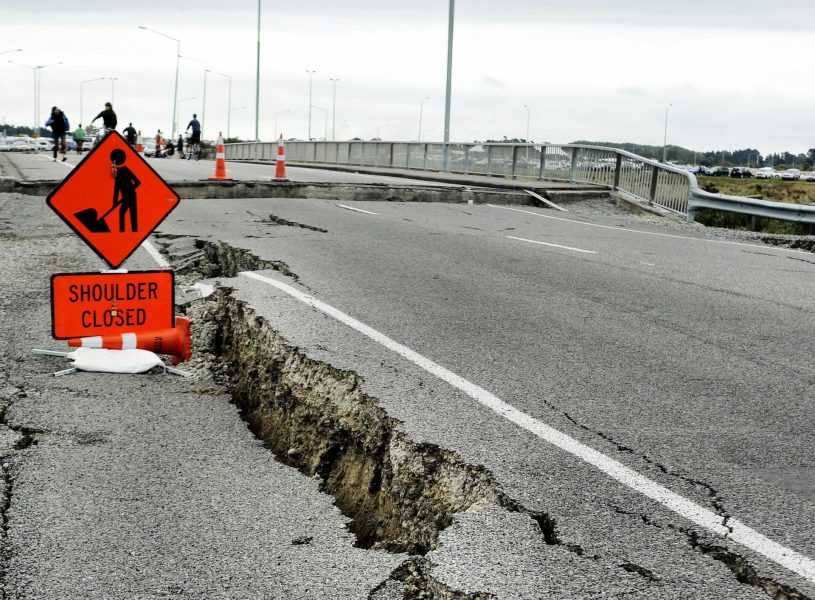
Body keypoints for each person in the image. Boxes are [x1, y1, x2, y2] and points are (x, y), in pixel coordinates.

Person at [110, 149, 141, 233]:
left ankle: (131, 231)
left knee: (131, 214)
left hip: (131, 195)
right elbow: (116, 188)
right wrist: (114, 202)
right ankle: (122, 231)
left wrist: (130, 190)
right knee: (122, 213)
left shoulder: (125, 169)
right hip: (126, 196)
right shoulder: (116, 172)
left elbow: (138, 182)